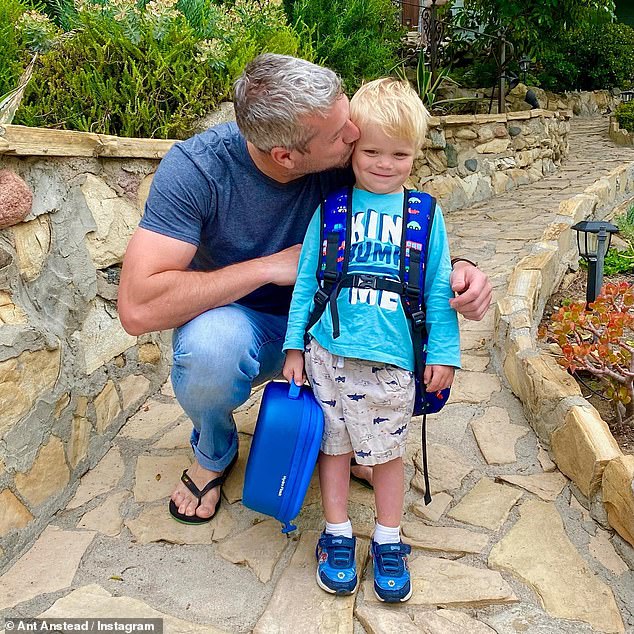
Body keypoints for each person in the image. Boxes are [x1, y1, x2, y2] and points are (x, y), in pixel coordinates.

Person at [118, 54, 491, 527]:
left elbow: (403, 225)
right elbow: (136, 306)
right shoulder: (197, 171)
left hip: (333, 329)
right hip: (245, 326)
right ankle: (214, 450)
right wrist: (268, 268)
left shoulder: (344, 152)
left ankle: (356, 440)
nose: (356, 136)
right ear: (286, 157)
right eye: (342, 135)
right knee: (209, 350)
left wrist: (461, 269)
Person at [282, 78, 459, 603]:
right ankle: (336, 533)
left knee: (387, 454)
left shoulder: (425, 216)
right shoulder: (332, 212)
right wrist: (294, 347)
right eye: (373, 151)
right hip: (328, 355)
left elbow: (439, 286)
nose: (385, 163)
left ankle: (387, 538)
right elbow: (308, 282)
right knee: (332, 447)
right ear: (353, 148)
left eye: (399, 154)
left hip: (393, 361)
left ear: (416, 154)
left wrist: (445, 353)